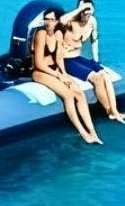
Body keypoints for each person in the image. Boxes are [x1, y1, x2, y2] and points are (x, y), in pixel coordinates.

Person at [28, 8, 100, 144]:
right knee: (68, 95)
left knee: (78, 93)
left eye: (52, 20)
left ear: (57, 21)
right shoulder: (41, 34)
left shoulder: (58, 34)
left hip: (55, 70)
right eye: (46, 19)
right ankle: (83, 133)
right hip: (40, 72)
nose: (48, 22)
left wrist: (64, 74)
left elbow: (59, 57)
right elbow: (38, 63)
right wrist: (58, 75)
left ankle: (93, 132)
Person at [61, 0, 125, 124]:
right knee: (97, 78)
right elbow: (62, 20)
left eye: (88, 9)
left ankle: (115, 112)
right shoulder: (71, 21)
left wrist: (96, 61)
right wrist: (80, 9)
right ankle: (109, 111)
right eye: (82, 9)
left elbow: (94, 41)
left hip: (78, 57)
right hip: (66, 60)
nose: (85, 12)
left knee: (105, 75)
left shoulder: (92, 21)